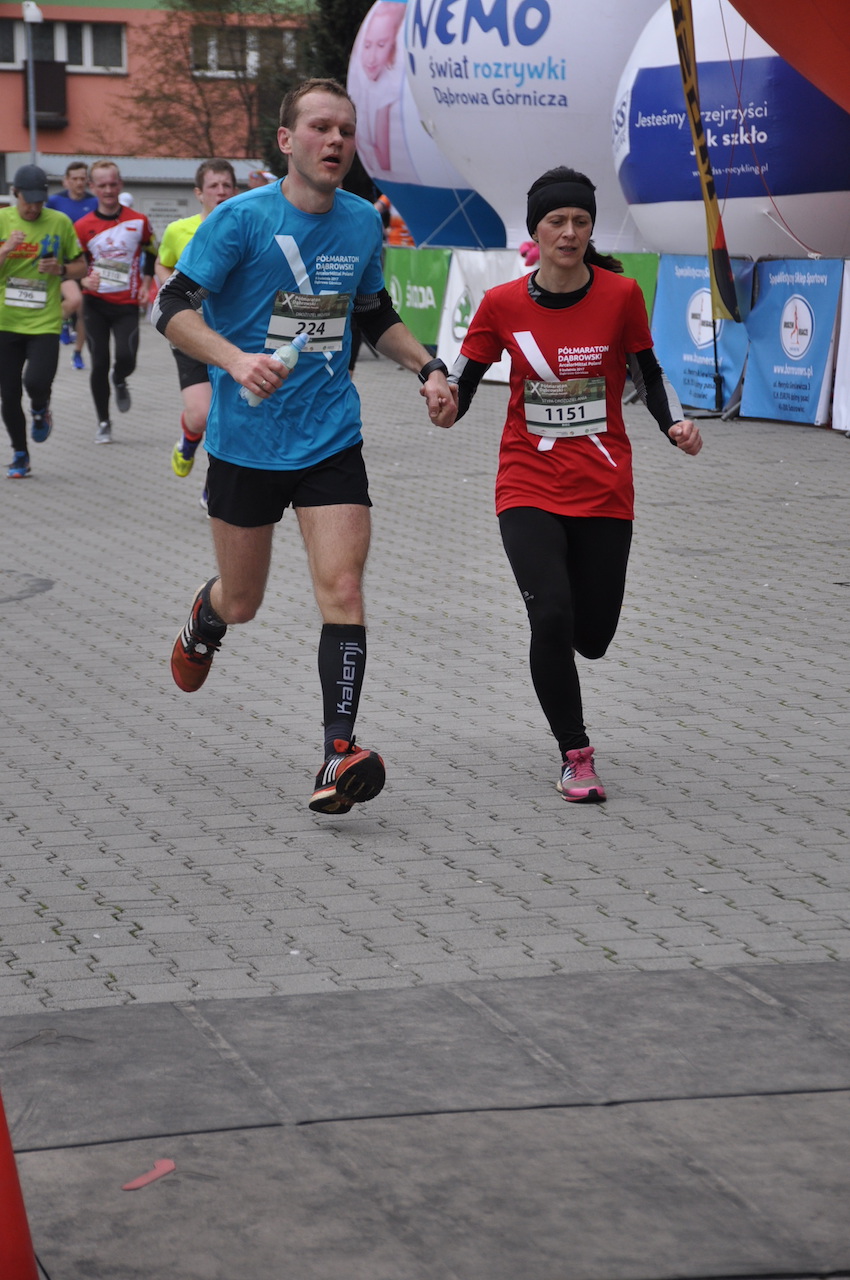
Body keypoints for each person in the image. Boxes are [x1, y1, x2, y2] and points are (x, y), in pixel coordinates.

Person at [154, 77, 456, 814]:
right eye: (321, 127)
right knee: (244, 600)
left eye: (345, 131)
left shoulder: (361, 222)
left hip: (330, 436)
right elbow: (171, 305)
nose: (336, 141)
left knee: (343, 588)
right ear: (287, 141)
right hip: (246, 442)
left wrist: (429, 367)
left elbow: (372, 312)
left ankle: (337, 752)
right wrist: (233, 360)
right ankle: (207, 617)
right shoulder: (240, 219)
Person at [446, 166, 702, 803]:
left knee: (593, 636)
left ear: (591, 229)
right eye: (557, 221)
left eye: (581, 221)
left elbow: (648, 372)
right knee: (552, 615)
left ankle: (576, 654)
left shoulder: (620, 295)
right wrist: (444, 402)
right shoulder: (501, 304)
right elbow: (463, 385)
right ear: (535, 231)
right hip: (527, 482)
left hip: (604, 485)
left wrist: (674, 424)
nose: (569, 232)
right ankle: (575, 753)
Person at [154, 159, 238, 503]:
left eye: (227, 185)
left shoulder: (246, 228)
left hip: (233, 335)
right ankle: (188, 440)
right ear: (199, 193)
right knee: (201, 415)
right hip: (191, 332)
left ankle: (212, 485)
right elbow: (162, 264)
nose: (221, 191)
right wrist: (173, 297)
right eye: (214, 186)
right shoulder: (179, 230)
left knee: (228, 418)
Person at [0, 165, 87, 478]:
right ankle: (20, 454)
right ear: (16, 194)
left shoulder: (59, 222)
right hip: (5, 322)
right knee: (9, 394)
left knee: (36, 382)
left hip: (44, 323)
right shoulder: (2, 220)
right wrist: (7, 249)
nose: (34, 207)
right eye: (28, 201)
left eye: (39, 201)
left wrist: (60, 270)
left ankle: (40, 409)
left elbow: (81, 267)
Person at [74, 160, 156, 443]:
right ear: (92, 187)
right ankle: (103, 421)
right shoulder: (82, 226)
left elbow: (152, 253)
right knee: (99, 362)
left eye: (112, 184)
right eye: (102, 185)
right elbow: (76, 265)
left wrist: (146, 284)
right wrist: (83, 281)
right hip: (95, 304)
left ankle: (120, 378)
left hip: (126, 304)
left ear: (120, 184)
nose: (108, 190)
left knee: (126, 358)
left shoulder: (139, 221)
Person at [46, 160, 96, 370]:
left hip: (88, 262)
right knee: (75, 300)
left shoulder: (94, 202)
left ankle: (77, 352)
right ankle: (60, 324)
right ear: (66, 181)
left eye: (82, 178)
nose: (79, 183)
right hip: (65, 262)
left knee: (84, 311)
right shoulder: (55, 201)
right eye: (74, 179)